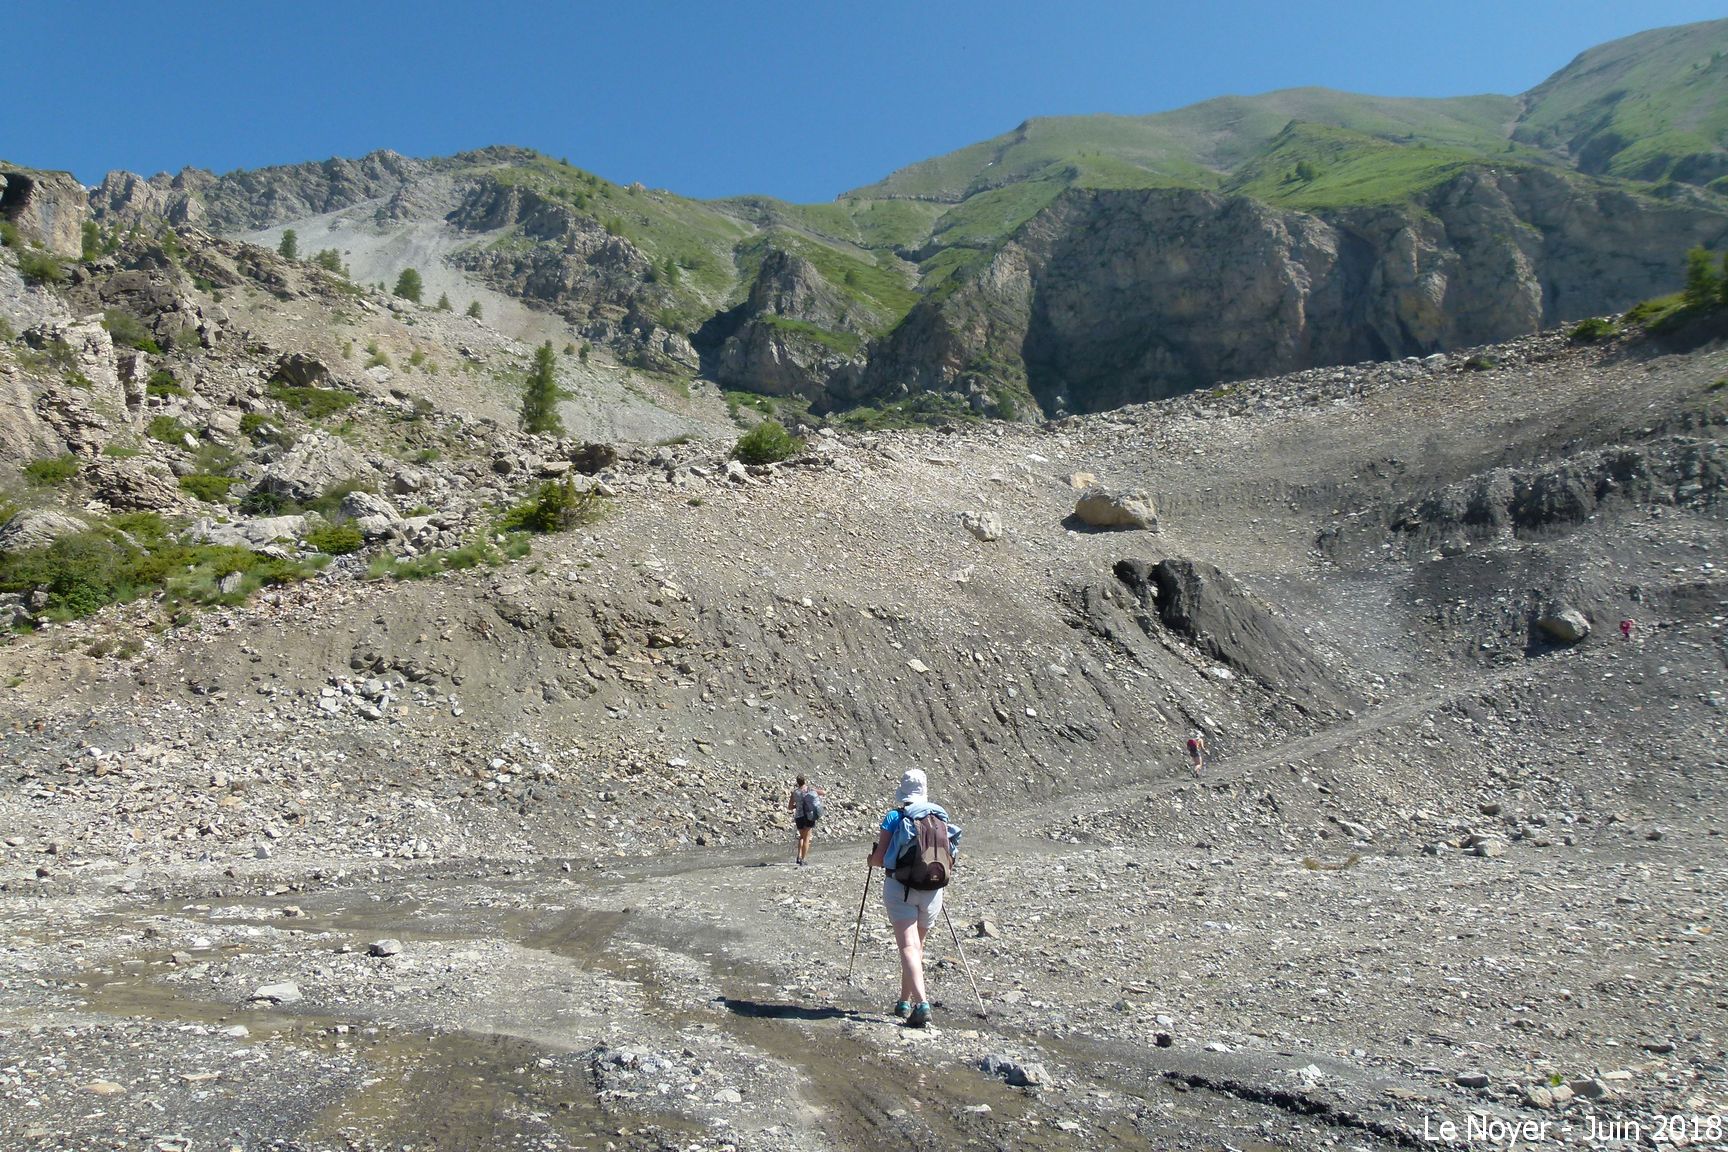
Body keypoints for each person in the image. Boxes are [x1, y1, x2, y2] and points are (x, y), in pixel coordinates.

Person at [866, 768, 961, 1028]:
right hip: (933, 889)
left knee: (908, 947)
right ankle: (903, 1002)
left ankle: (921, 1004)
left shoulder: (894, 817)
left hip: (900, 888)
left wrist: (870, 860)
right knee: (917, 947)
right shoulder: (939, 816)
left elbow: (880, 859)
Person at [787, 774, 825, 866]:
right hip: (809, 816)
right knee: (806, 838)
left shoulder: (795, 793)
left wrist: (797, 806)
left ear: (797, 782)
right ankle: (803, 859)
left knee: (801, 837)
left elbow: (790, 807)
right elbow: (823, 792)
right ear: (805, 781)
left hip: (799, 817)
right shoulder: (810, 790)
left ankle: (798, 857)